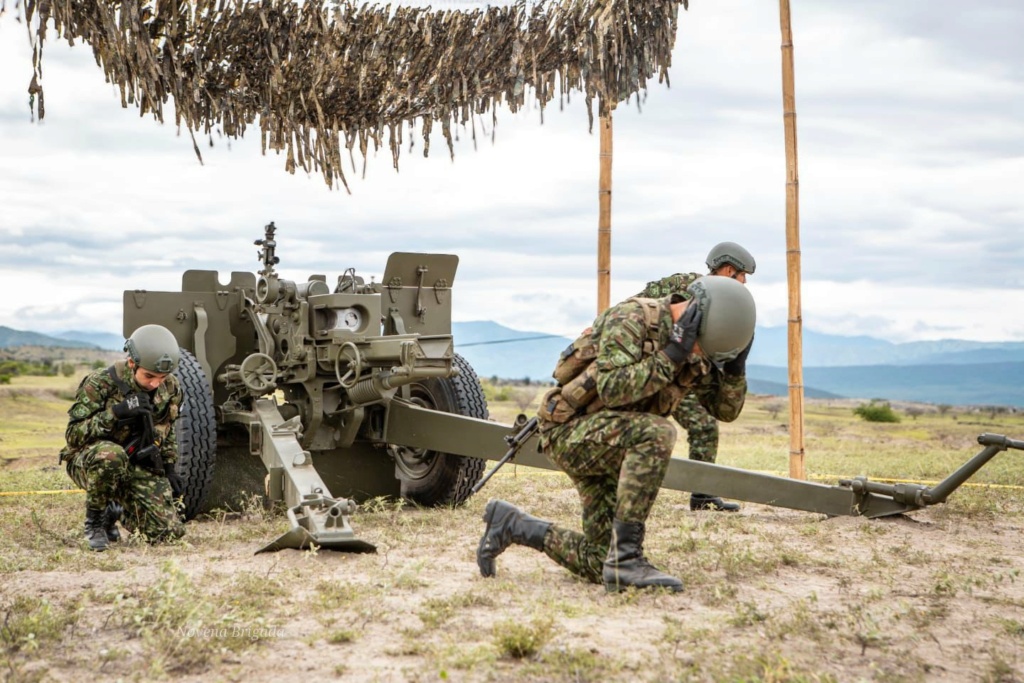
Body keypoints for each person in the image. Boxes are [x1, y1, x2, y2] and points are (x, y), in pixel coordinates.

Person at [478, 275, 755, 593]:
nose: (699, 355)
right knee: (657, 433)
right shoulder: (631, 319)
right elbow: (612, 390)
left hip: (613, 442)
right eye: (699, 347)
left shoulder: (696, 348)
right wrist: (671, 355)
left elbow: (725, 411)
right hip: (570, 432)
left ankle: (512, 524)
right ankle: (628, 560)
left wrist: (736, 371)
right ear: (694, 317)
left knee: (599, 563)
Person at [636, 241, 756, 512]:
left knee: (705, 427)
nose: (745, 282)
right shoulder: (683, 285)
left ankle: (702, 495)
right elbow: (636, 306)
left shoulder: (729, 307)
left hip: (691, 375)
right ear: (727, 270)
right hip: (656, 371)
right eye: (742, 275)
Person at [60, 324, 186, 551]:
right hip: (91, 462)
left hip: (135, 463)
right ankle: (96, 522)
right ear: (132, 363)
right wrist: (115, 413)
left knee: (168, 533)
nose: (155, 383)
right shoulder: (100, 383)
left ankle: (116, 512)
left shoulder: (170, 388)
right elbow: (73, 436)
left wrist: (169, 467)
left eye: (162, 376)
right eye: (149, 376)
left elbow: (167, 429)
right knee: (111, 456)